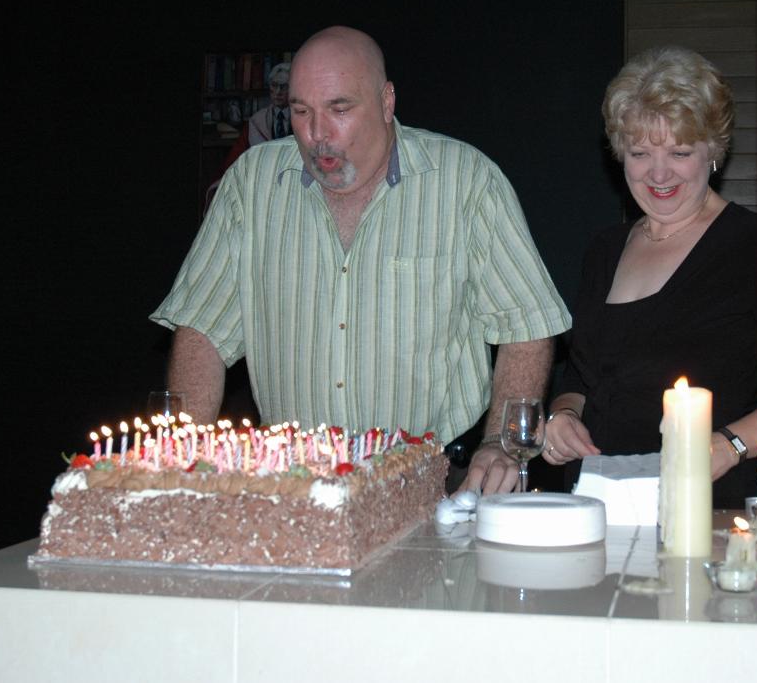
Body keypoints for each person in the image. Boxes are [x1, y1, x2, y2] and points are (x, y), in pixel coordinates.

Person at [151, 26, 571, 494]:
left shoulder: (465, 181)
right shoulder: (250, 187)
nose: (316, 135)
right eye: (301, 111)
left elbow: (526, 326)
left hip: (433, 481)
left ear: (387, 101)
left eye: (339, 109)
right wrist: (180, 465)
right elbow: (202, 332)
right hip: (295, 484)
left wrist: (501, 442)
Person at [541, 46, 757, 508]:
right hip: (600, 504)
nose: (659, 173)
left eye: (680, 151)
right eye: (640, 152)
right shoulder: (605, 250)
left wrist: (731, 446)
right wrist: (562, 416)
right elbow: (582, 379)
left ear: (714, 152)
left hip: (710, 504)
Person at [247, 62, 293, 144]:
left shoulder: (303, 117)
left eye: (284, 86)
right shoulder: (257, 120)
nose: (278, 92)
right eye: (274, 85)